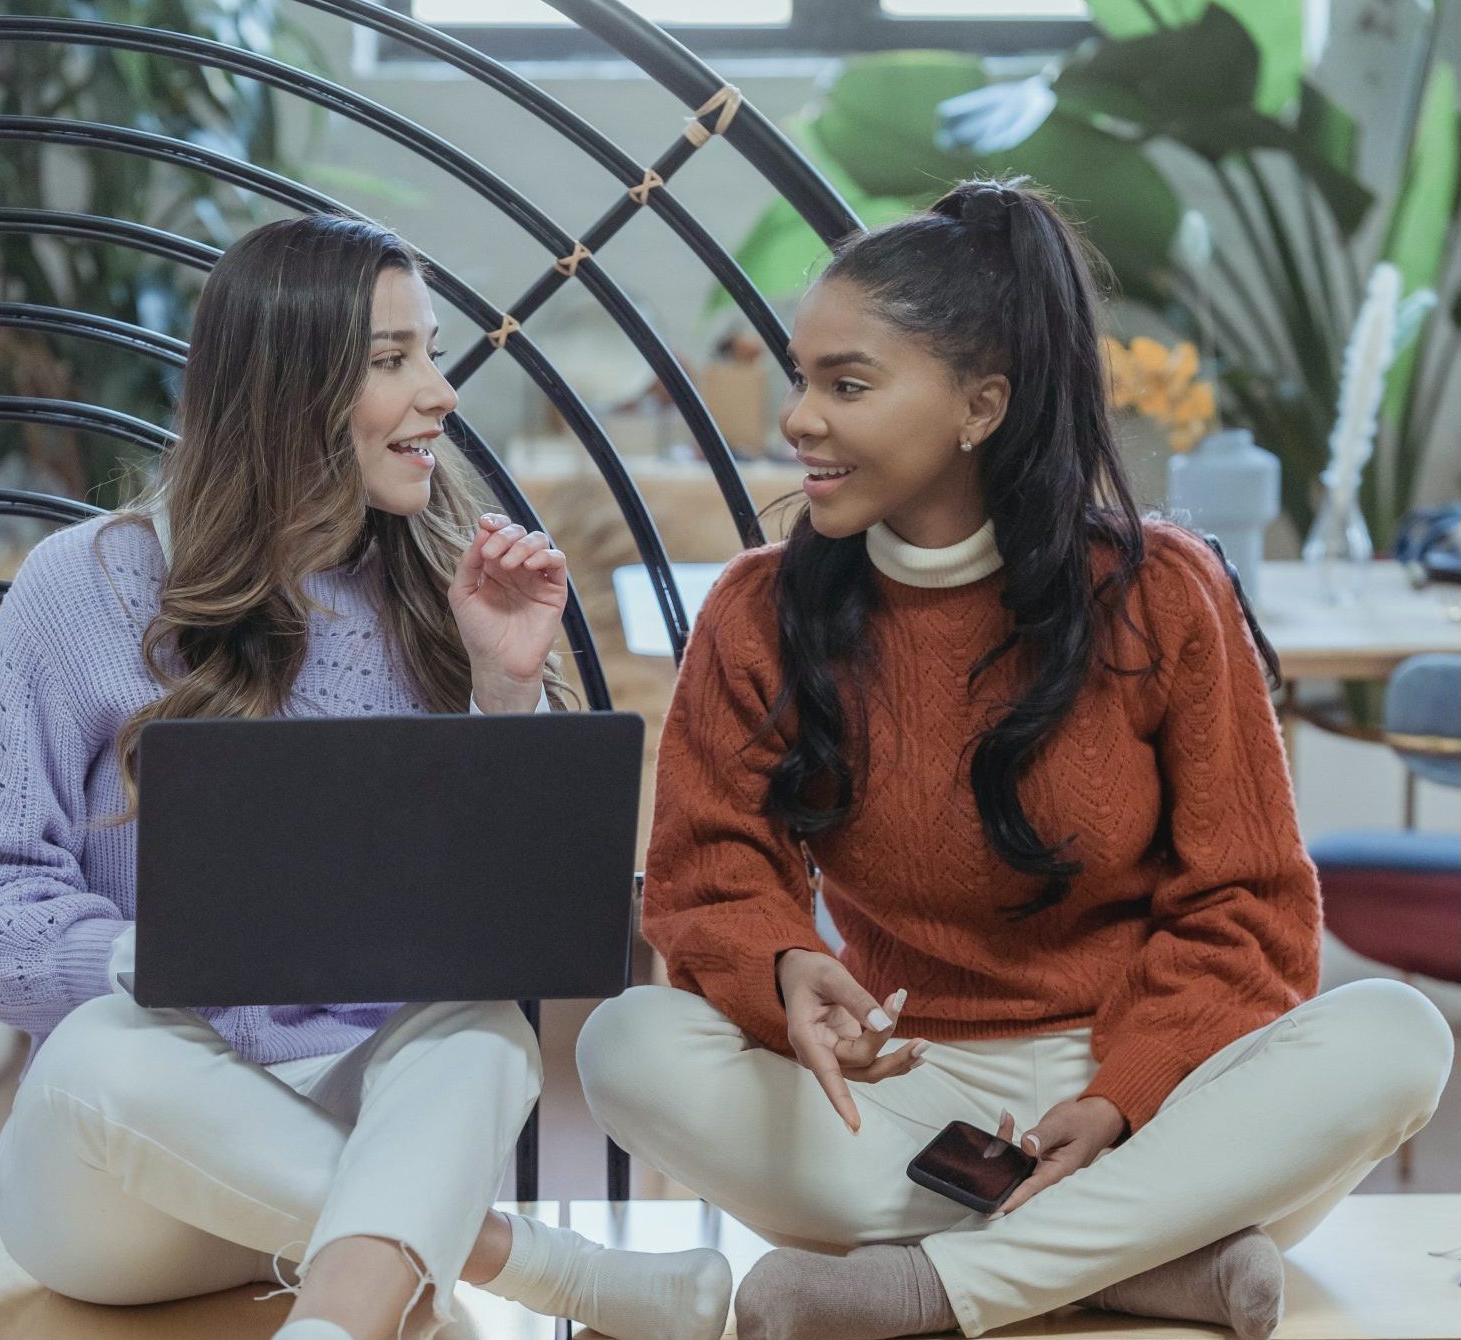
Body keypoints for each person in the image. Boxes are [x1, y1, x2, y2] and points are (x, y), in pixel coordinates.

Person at [576, 178, 1454, 1340]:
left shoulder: (1160, 593)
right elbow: (706, 875)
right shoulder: (756, 612)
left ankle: (925, 1285)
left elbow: (1248, 904)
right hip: (910, 1089)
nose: (800, 419)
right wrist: (784, 966)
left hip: (1154, 1088)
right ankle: (1138, 1256)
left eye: (847, 383)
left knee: (1397, 1034)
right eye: (802, 378)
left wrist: (1121, 1095)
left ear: (979, 405)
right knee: (625, 1042)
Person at [0, 214, 732, 1340]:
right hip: (129, 1174)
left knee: (481, 1025)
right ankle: (564, 1274)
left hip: (357, 1132)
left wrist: (505, 688)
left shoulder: (446, 586)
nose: (442, 392)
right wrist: (147, 956)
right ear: (286, 390)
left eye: (432, 351)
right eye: (394, 360)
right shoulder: (82, 587)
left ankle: (333, 1323)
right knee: (110, 1043)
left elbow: (512, 919)